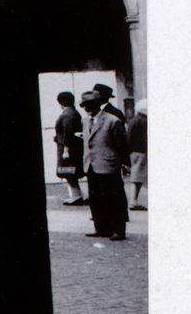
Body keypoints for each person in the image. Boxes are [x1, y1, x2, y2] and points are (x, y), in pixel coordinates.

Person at [81, 87, 130, 240]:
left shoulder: (112, 120)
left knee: (113, 199)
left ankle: (118, 230)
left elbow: (122, 145)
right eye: (84, 105)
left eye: (90, 104)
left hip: (109, 165)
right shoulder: (85, 121)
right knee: (95, 199)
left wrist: (124, 164)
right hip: (91, 165)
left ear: (98, 104)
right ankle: (101, 228)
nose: (87, 108)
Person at [54, 91, 87, 206]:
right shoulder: (74, 113)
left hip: (68, 148)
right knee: (71, 172)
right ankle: (77, 194)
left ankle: (76, 196)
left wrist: (66, 150)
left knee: (69, 172)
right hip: (73, 147)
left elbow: (67, 134)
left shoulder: (67, 114)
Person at [127, 99, 147, 212]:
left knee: (135, 175)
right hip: (141, 151)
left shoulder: (134, 120)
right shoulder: (145, 120)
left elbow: (129, 137)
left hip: (133, 151)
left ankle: (133, 201)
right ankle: (133, 201)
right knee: (137, 177)